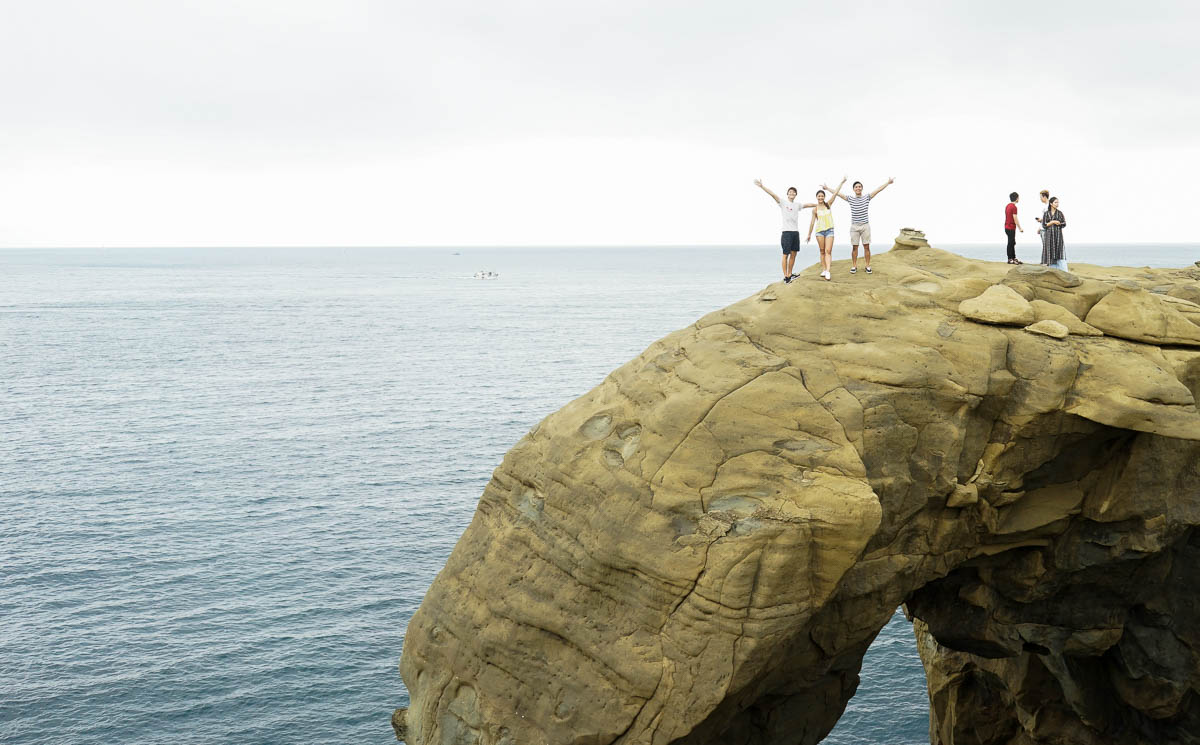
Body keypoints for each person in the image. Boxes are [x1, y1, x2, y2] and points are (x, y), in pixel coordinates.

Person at [826, 177, 894, 273]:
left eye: (859, 187)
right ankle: (854, 266)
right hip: (854, 227)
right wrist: (827, 188)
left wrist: (888, 182)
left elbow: (878, 190)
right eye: (856, 187)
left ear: (862, 188)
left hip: (865, 226)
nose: (858, 188)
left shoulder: (867, 197)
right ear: (853, 189)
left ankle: (867, 266)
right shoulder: (850, 199)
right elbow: (838, 194)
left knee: (866, 246)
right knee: (855, 247)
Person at [755, 179, 815, 283]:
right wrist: (762, 186)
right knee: (785, 255)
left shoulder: (797, 205)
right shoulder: (783, 202)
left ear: (796, 194)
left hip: (795, 232)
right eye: (790, 192)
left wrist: (819, 204)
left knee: (794, 254)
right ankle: (786, 277)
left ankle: (790, 274)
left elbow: (807, 205)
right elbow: (773, 194)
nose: (792, 193)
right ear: (787, 194)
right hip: (786, 232)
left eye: (794, 192)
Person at [806, 177, 846, 281]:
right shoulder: (815, 209)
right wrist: (809, 235)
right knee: (822, 251)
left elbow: (836, 193)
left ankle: (828, 271)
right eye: (819, 196)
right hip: (819, 232)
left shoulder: (828, 204)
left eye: (822, 196)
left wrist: (841, 182)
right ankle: (823, 269)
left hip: (829, 230)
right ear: (816, 197)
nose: (820, 197)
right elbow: (812, 222)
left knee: (828, 251)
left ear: (824, 197)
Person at [1040, 196, 1067, 271]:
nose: (1057, 204)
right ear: (1051, 203)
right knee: (1049, 251)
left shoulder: (1060, 213)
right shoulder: (1046, 213)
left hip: (1058, 236)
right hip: (1049, 236)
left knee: (1059, 251)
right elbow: (1044, 225)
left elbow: (1064, 224)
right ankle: (1052, 269)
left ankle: (1061, 269)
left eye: (1058, 202)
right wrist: (1052, 222)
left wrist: (1059, 223)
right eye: (1055, 202)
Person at [1004, 192, 1024, 264]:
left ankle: (1013, 257)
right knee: (1010, 243)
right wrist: (1020, 228)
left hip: (1007, 227)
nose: (1019, 199)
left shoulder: (1008, 206)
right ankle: (1010, 258)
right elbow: (1015, 218)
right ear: (1016, 198)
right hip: (1011, 227)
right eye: (1018, 197)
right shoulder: (1014, 207)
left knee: (1012, 242)